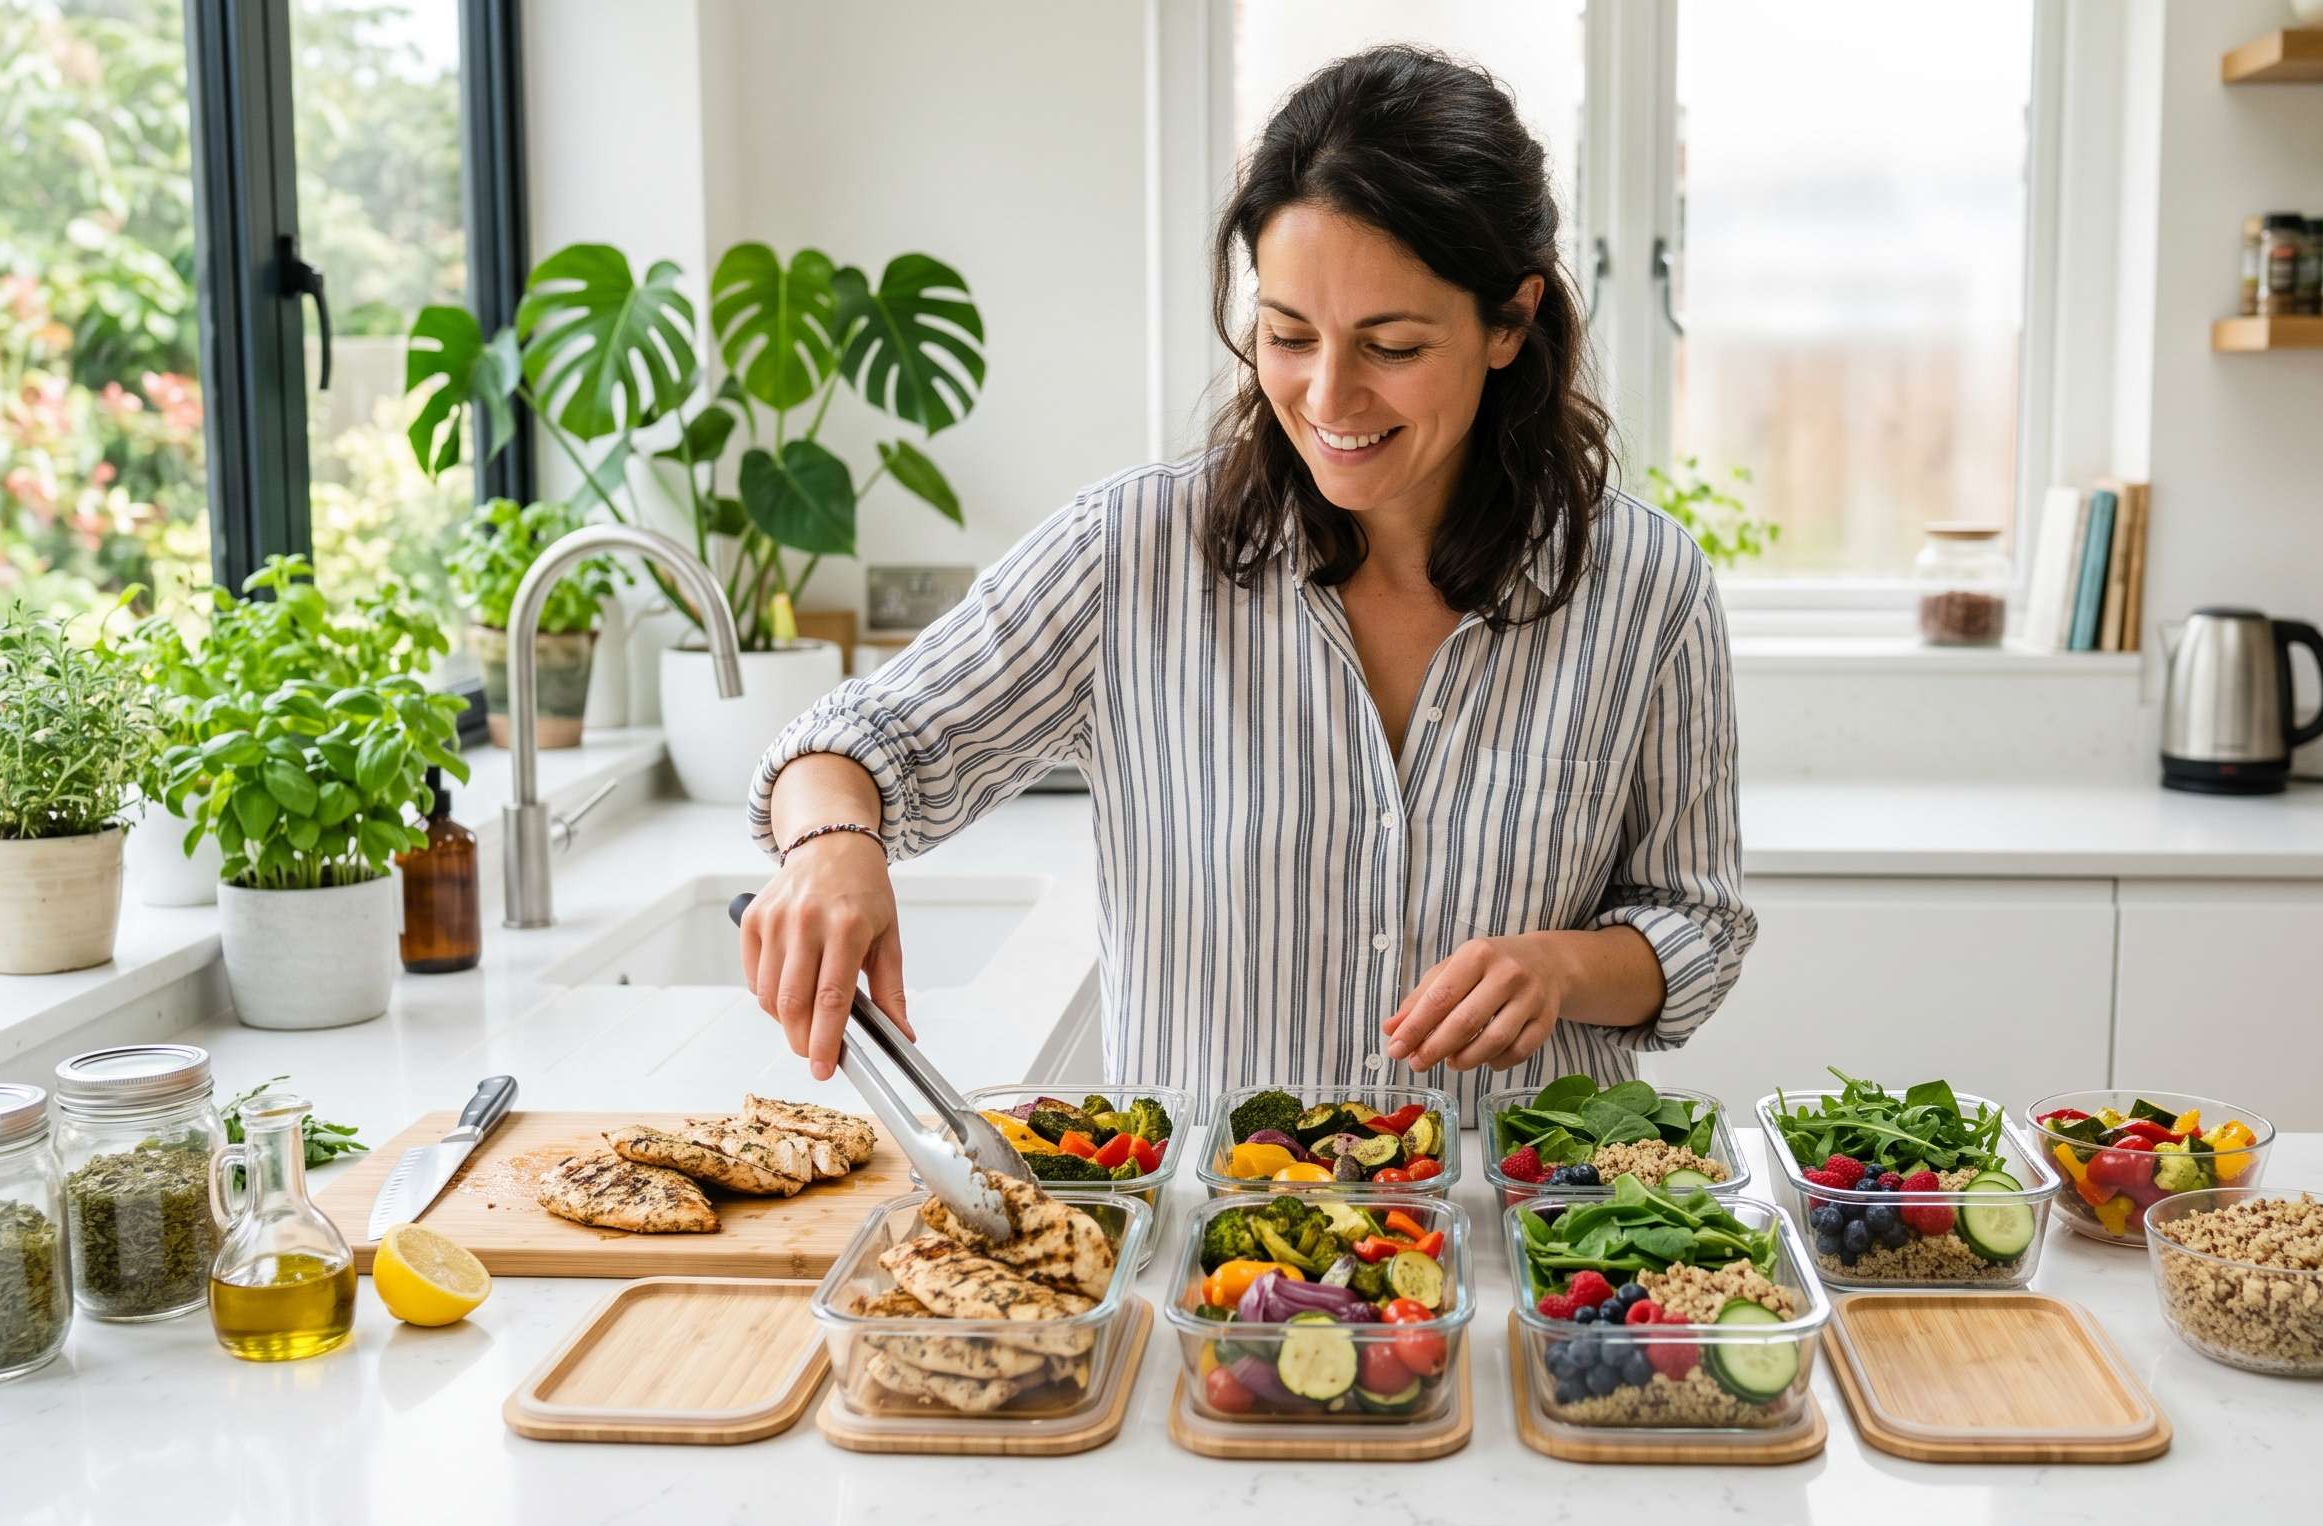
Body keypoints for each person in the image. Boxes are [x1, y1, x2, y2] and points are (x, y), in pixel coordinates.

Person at [738, 45, 1754, 1118]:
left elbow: (1700, 921)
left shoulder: (1643, 582)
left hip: (1525, 1238)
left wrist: (1563, 970)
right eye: (1286, 335)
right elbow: (854, 745)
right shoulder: (1128, 553)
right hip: (1213, 1260)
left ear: (1508, 323)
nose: (1329, 395)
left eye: (1393, 345)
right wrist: (831, 845)